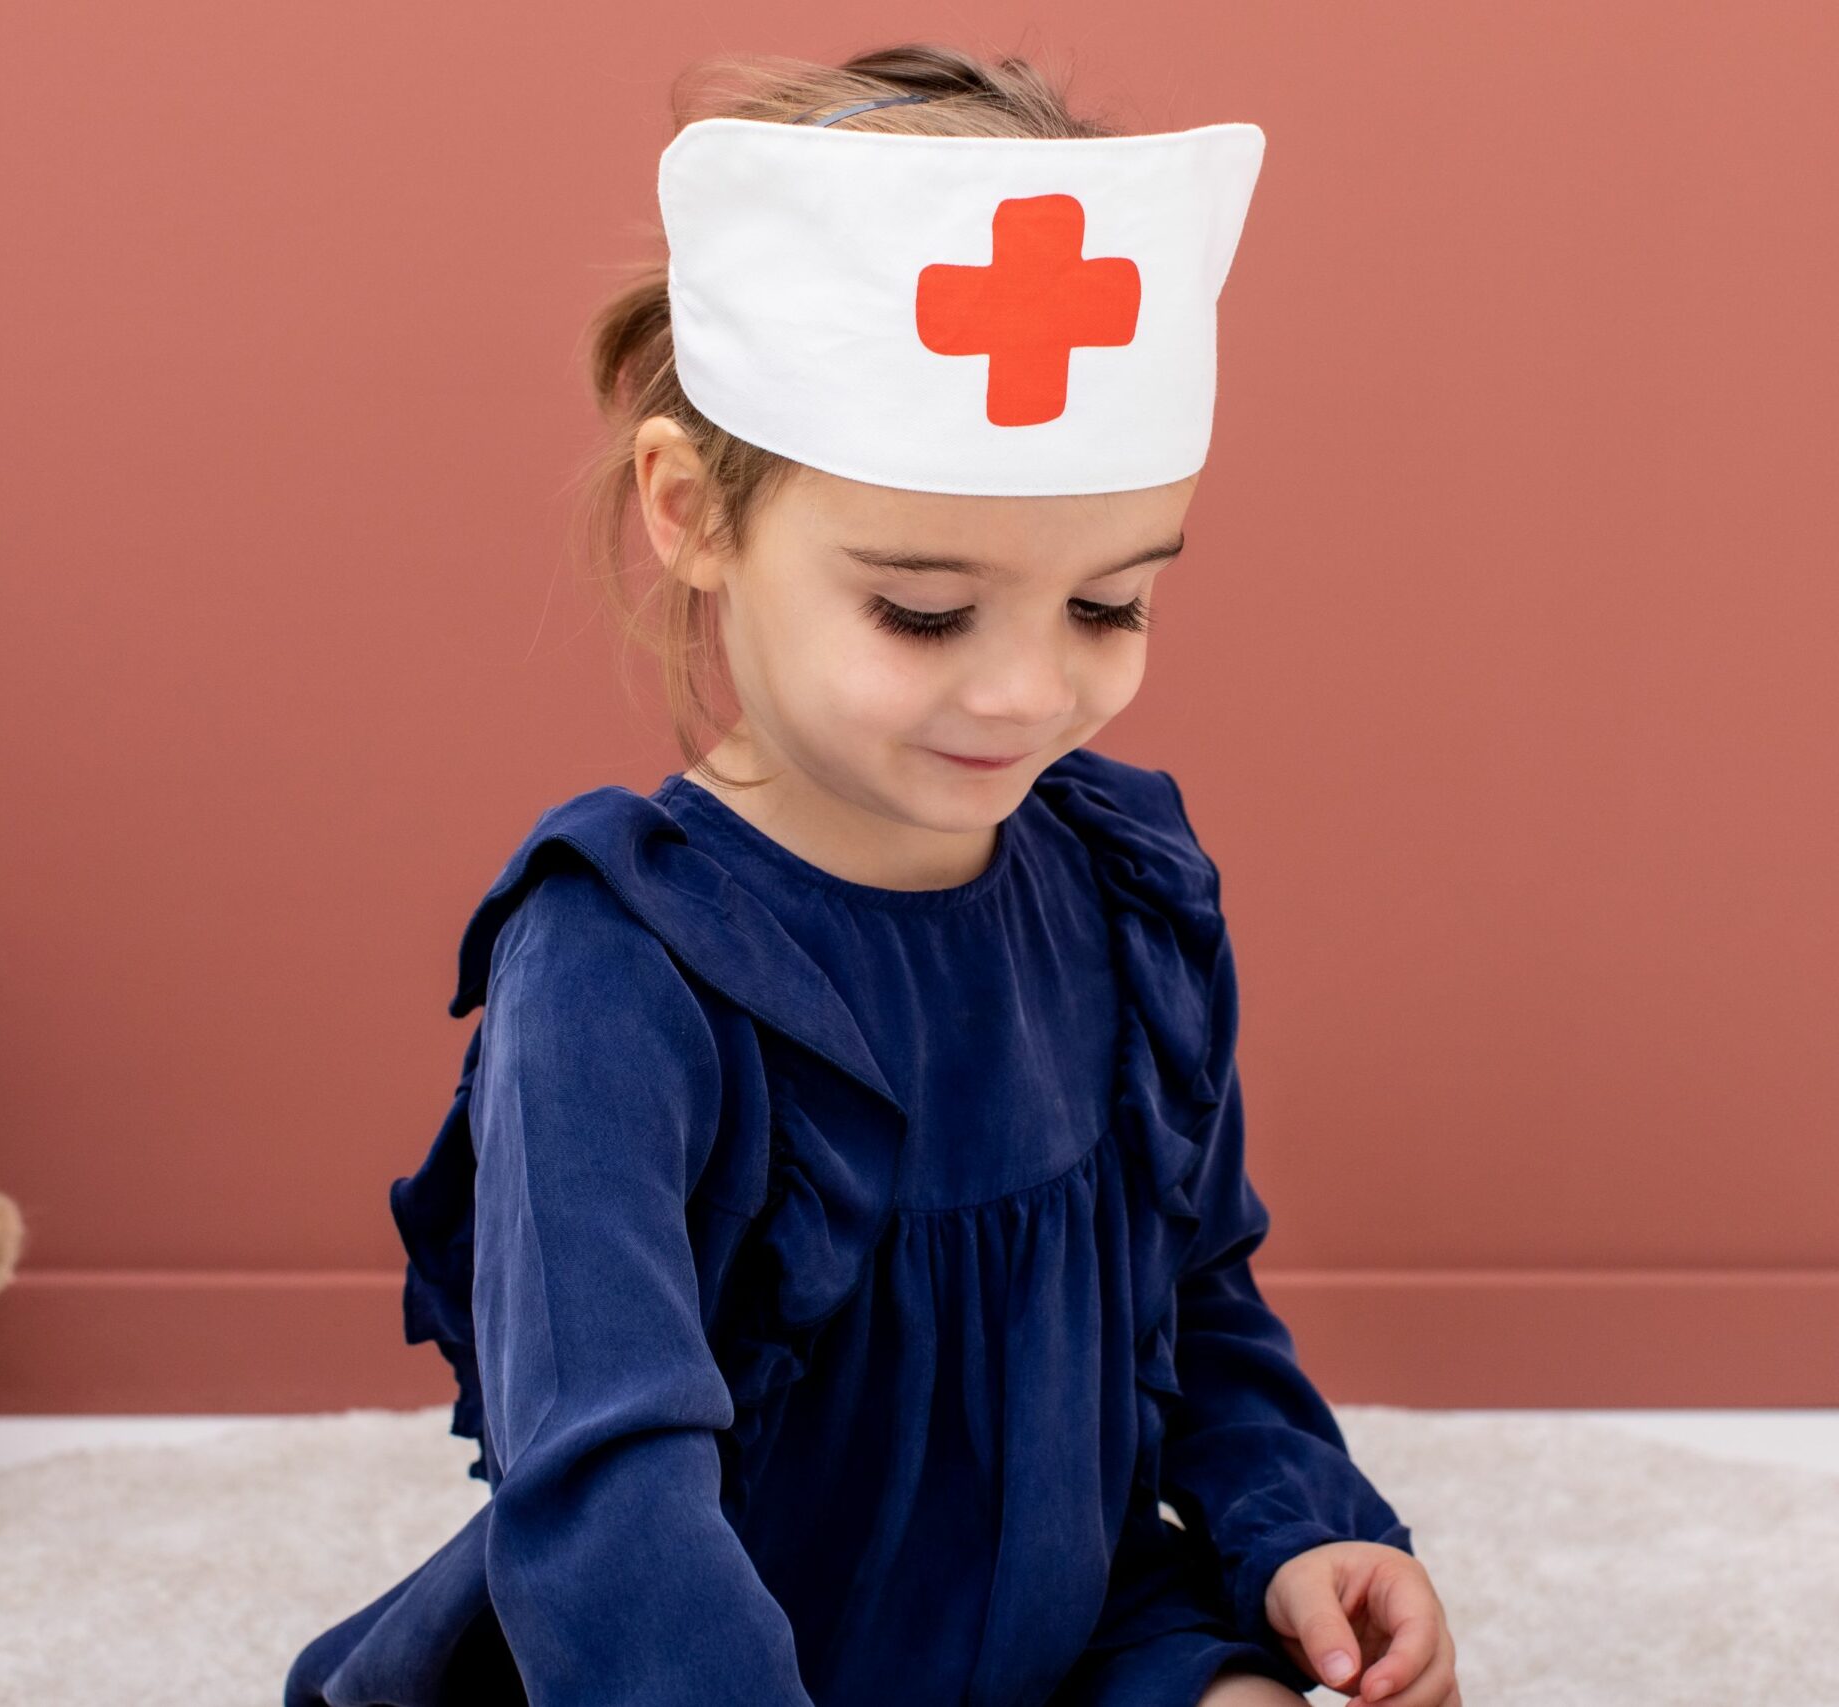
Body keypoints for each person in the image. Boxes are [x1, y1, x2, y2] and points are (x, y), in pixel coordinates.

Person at [285, 41, 1461, 1707]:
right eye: (923, 612)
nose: (1027, 691)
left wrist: (1299, 1524)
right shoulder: (617, 966)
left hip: (1071, 1625)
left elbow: (1196, 1291)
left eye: (1109, 604)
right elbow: (604, 1489)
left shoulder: (1121, 892)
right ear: (692, 513)